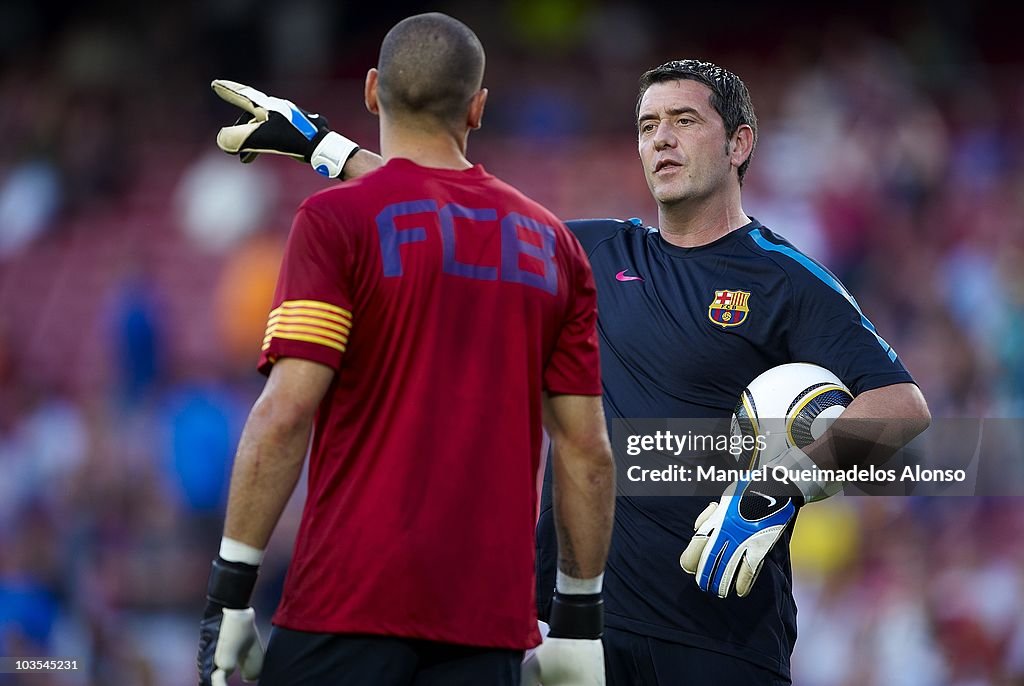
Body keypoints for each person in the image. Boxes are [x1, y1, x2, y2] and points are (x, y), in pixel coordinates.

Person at [210, 59, 931, 685]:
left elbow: (903, 411)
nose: (661, 140)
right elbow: (457, 208)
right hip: (572, 634)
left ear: (740, 143)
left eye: (684, 121)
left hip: (723, 636)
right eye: (648, 125)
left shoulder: (787, 280)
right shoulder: (593, 250)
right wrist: (318, 144)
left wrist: (780, 483)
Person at [197, 13, 616, 686]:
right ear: (478, 107)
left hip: (343, 604)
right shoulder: (555, 248)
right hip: (486, 628)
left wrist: (230, 593)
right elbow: (587, 450)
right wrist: (578, 622)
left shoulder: (333, 222)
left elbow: (284, 415)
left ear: (371, 91)